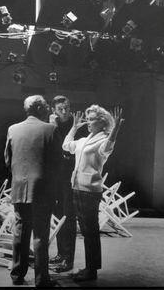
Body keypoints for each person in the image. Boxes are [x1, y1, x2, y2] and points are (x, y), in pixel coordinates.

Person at [4, 95, 62, 287]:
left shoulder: (13, 129)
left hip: (19, 187)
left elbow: (7, 160)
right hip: (42, 190)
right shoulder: (51, 129)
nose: (49, 109)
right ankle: (41, 279)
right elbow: (57, 163)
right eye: (46, 106)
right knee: (40, 235)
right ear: (38, 108)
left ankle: (17, 275)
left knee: (20, 233)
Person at [62, 105, 124, 282]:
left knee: (90, 231)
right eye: (87, 118)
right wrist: (74, 127)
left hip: (89, 191)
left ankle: (91, 270)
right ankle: (90, 267)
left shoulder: (103, 139)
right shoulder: (85, 139)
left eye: (92, 119)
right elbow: (66, 146)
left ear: (102, 123)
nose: (88, 121)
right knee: (86, 231)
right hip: (77, 188)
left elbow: (107, 148)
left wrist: (116, 128)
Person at [49, 95, 88, 273]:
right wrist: (53, 127)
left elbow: (80, 149)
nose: (64, 111)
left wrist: (67, 157)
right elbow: (51, 147)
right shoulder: (52, 124)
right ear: (54, 110)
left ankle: (68, 260)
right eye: (60, 109)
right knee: (58, 217)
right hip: (55, 178)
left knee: (69, 218)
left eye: (66, 107)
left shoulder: (78, 124)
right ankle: (60, 253)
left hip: (70, 179)